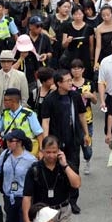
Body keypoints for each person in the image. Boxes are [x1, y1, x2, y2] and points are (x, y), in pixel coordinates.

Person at [40, 69, 89, 214]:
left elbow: (82, 115)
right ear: (59, 83)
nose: (70, 82)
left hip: (73, 140)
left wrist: (86, 134)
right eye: (67, 81)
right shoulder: (50, 100)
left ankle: (73, 200)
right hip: (57, 142)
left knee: (73, 168)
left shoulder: (75, 96)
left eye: (70, 80)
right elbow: (46, 122)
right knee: (57, 170)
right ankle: (58, 198)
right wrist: (45, 143)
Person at [22, 136, 82, 222]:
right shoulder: (34, 169)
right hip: (42, 214)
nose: (51, 155)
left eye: (54, 152)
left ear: (59, 151)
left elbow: (77, 184)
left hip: (62, 212)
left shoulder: (65, 165)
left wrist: (65, 165)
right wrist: (26, 220)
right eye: (48, 152)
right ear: (42, 151)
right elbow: (27, 197)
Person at [0, 130, 37, 222]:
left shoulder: (30, 160)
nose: (7, 143)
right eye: (7, 140)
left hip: (23, 198)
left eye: (10, 141)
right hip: (8, 197)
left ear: (19, 142)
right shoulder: (6, 154)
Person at [0, 86, 45, 157]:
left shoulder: (29, 114)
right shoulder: (4, 114)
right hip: (11, 152)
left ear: (13, 101)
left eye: (6, 100)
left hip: (28, 151)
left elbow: (39, 134)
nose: (4, 102)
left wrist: (41, 151)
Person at [0, 51, 29, 124]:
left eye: (8, 61)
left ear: (12, 62)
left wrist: (21, 116)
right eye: (3, 61)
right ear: (0, 62)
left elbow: (24, 98)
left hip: (15, 115)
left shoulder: (21, 76)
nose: (6, 64)